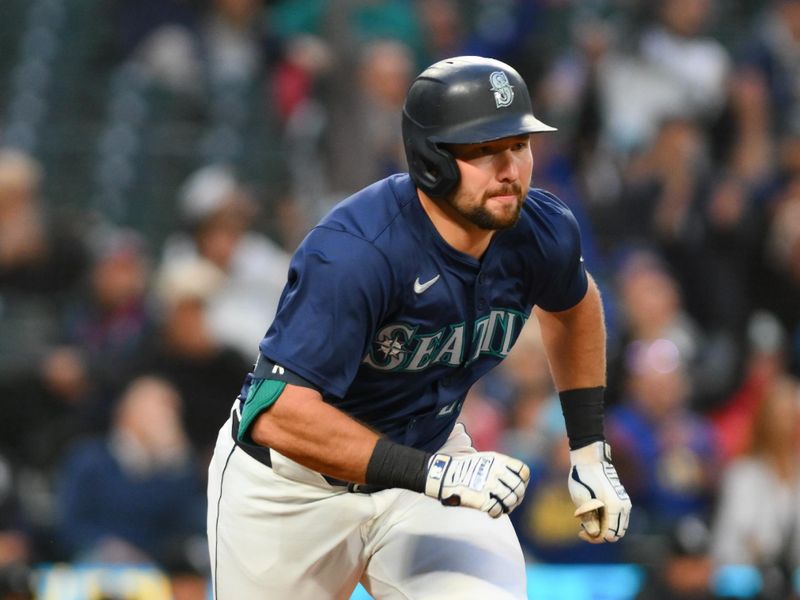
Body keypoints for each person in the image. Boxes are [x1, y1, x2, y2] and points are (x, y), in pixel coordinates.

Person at [207, 55, 631, 599]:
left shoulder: (540, 230)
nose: (510, 169)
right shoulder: (358, 251)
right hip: (292, 487)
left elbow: (576, 307)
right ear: (432, 160)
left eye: (519, 146)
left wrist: (589, 450)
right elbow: (277, 415)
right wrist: (433, 475)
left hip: (429, 463)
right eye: (484, 150)